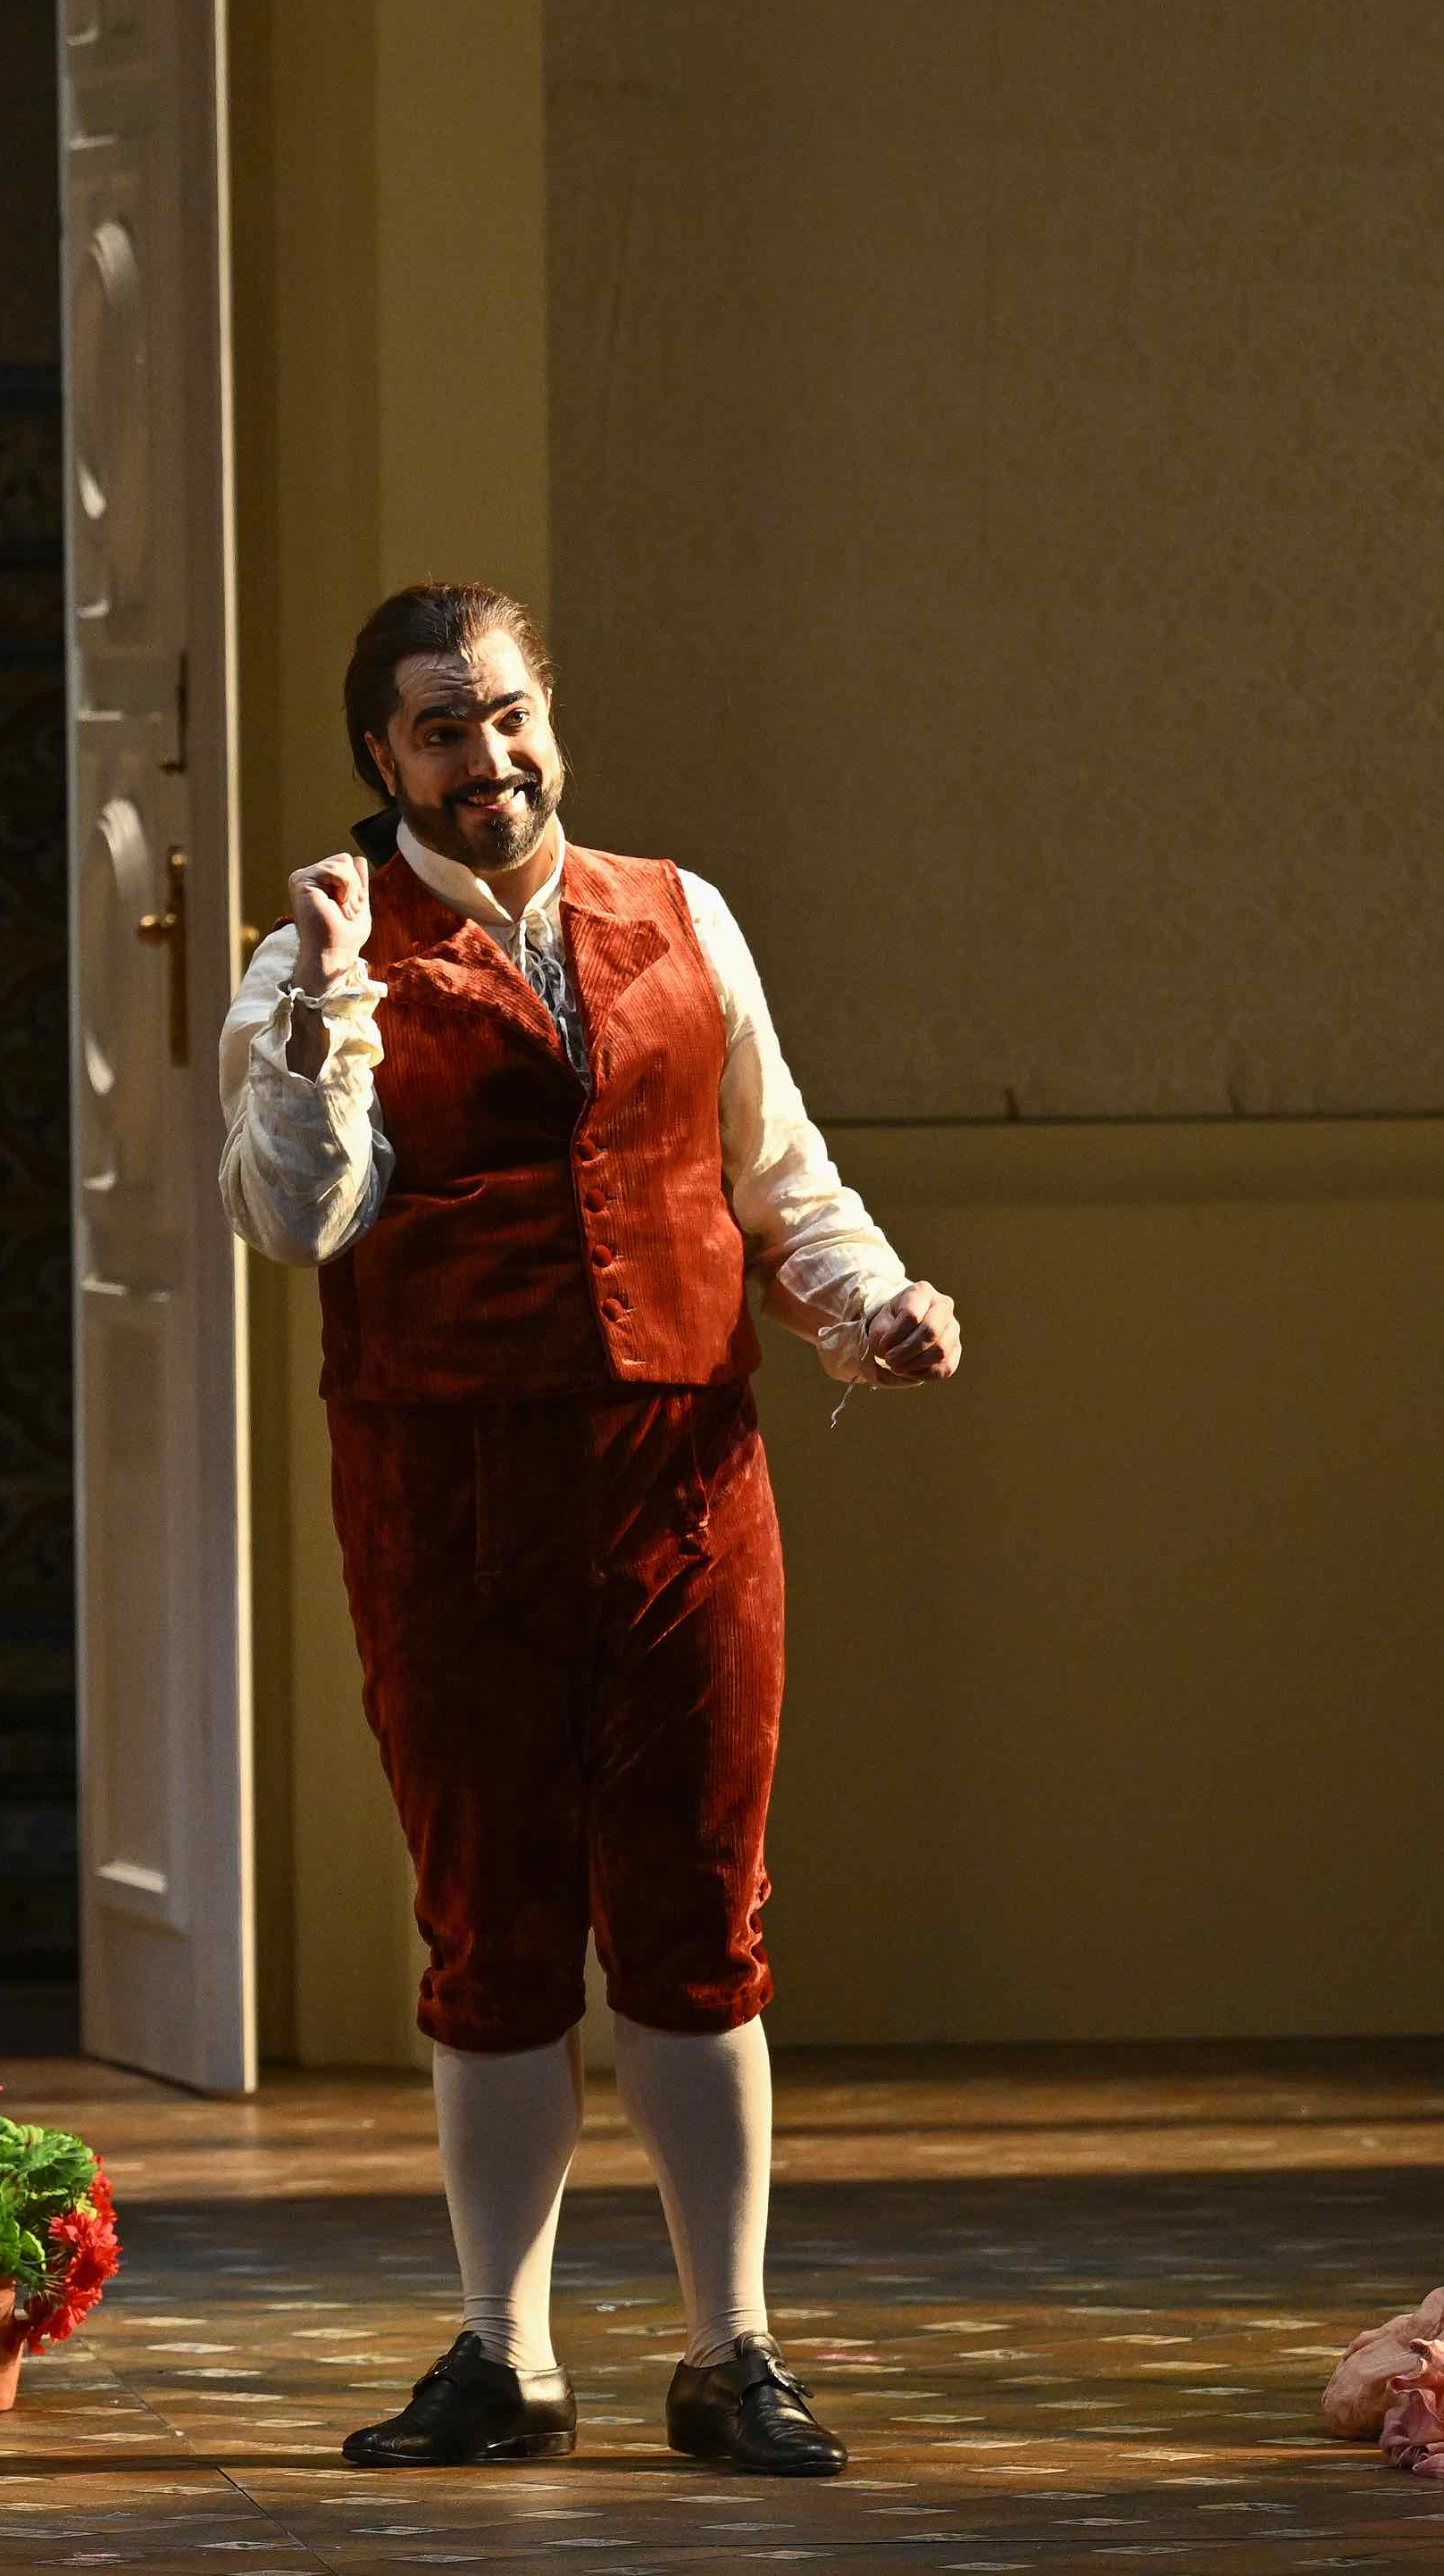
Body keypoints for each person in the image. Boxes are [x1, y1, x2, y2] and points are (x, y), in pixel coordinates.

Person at [219, 581, 967, 2480]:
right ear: (381, 757)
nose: (487, 758)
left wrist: (875, 1309)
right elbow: (297, 1214)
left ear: (550, 716)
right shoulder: (314, 954)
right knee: (492, 1925)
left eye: (507, 715)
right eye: (440, 730)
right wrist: (324, 999)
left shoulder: (683, 912)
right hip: (447, 1496)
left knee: (700, 1918)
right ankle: (505, 2349)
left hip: (684, 1481)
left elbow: (778, 1172)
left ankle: (733, 2349)